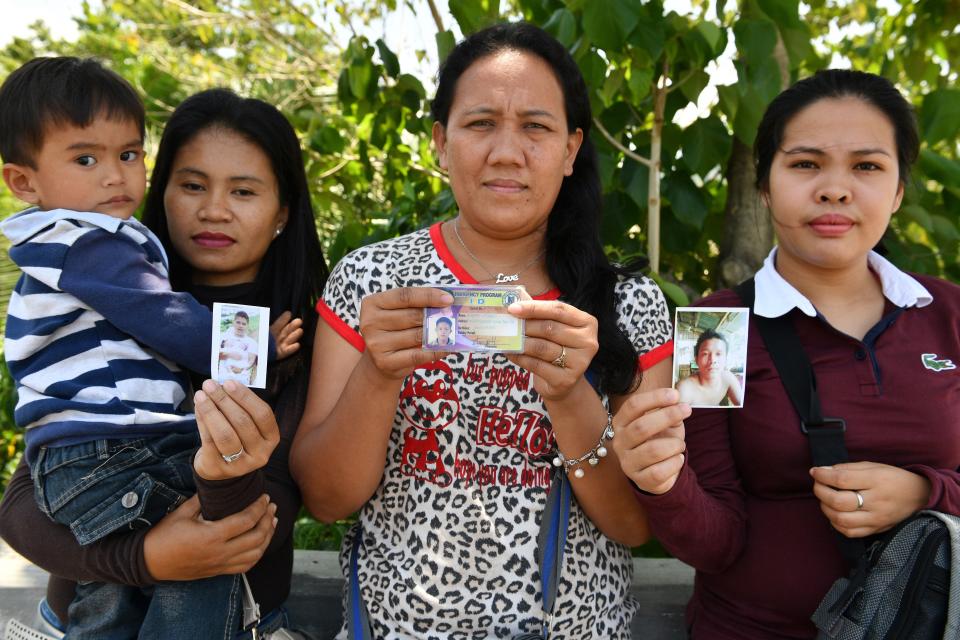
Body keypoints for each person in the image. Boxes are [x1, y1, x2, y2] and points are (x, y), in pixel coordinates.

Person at [291, 22, 673, 638]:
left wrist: (569, 395)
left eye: (536, 127)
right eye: (480, 123)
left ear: (572, 149)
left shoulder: (627, 306)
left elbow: (636, 525)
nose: (505, 151)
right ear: (441, 142)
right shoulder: (374, 281)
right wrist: (378, 374)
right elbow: (328, 500)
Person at [614, 69, 960, 639]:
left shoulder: (947, 316)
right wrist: (661, 481)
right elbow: (715, 543)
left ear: (898, 190)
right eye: (805, 164)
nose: (835, 188)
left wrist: (926, 492)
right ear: (766, 186)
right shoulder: (714, 327)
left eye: (867, 166)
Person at [0, 87, 327, 639]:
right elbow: (20, 504)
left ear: (282, 212)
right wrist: (142, 557)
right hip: (75, 618)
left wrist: (214, 483)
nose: (213, 209)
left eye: (243, 191)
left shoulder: (299, 333)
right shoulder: (106, 293)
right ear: (164, 188)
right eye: (192, 185)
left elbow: (265, 515)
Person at [676, 329, 743, 407]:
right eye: (705, 354)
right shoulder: (685, 389)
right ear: (696, 359)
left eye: (718, 354)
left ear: (726, 360)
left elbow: (742, 405)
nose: (712, 360)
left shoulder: (728, 378)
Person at [220, 310, 260, 384]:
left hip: (241, 378)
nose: (240, 326)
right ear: (233, 322)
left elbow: (251, 361)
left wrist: (240, 369)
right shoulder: (223, 337)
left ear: (247, 325)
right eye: (238, 322)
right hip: (222, 376)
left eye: (243, 324)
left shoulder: (251, 342)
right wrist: (230, 355)